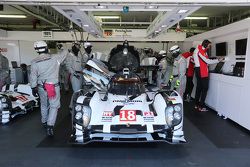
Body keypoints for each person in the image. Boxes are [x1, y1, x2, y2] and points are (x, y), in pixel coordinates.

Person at [30, 41, 68, 136]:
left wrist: (33, 87)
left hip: (41, 87)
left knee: (43, 104)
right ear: (47, 48)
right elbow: (65, 52)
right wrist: (62, 47)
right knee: (54, 106)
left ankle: (44, 121)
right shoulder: (55, 58)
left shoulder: (34, 62)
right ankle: (50, 126)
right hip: (53, 87)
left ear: (36, 50)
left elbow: (33, 76)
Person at [193, 39, 224, 112]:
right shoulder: (200, 51)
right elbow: (207, 61)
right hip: (201, 71)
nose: (210, 47)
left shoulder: (199, 50)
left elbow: (205, 59)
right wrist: (218, 60)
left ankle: (196, 104)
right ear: (206, 44)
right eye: (209, 45)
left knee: (199, 88)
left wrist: (214, 59)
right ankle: (201, 106)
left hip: (198, 70)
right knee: (205, 88)